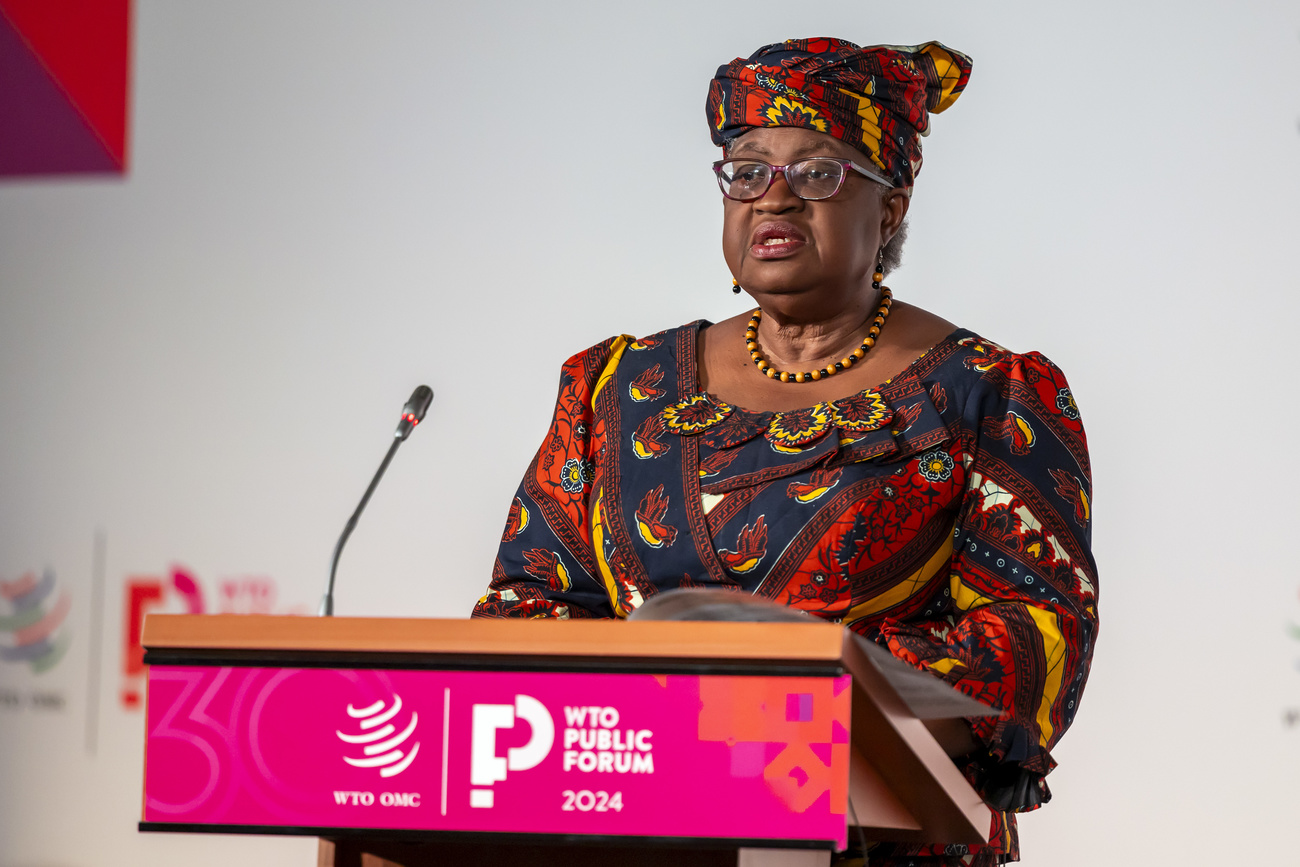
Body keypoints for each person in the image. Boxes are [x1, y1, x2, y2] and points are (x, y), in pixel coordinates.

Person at [473, 37, 1097, 867]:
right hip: (635, 834)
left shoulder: (988, 393)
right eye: (746, 170)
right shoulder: (615, 388)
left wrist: (801, 697)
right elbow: (525, 608)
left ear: (892, 210)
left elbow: (1031, 637)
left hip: (883, 842)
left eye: (818, 174)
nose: (775, 198)